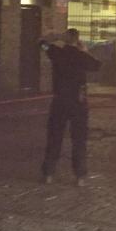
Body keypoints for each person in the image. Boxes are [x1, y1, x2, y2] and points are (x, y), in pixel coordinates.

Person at [40, 28, 101, 186]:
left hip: (60, 100)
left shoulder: (56, 52)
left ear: (66, 40)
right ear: (77, 40)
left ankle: (48, 173)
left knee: (54, 137)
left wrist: (54, 37)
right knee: (79, 139)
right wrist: (85, 51)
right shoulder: (82, 56)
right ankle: (80, 176)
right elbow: (97, 65)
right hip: (78, 102)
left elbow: (41, 43)